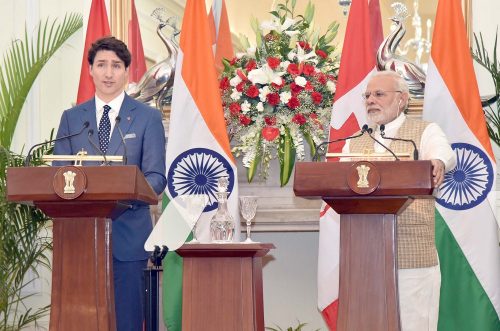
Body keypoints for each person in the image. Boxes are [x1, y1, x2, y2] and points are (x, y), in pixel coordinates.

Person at [53, 36, 167, 331]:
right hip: (79, 242)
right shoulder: (71, 119)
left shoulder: (147, 118)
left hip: (129, 240)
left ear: (127, 72)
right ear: (90, 69)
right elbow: (58, 175)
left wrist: (123, 195)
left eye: (116, 66)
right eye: (101, 65)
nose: (108, 73)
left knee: (127, 323)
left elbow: (156, 177)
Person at [343, 70, 456, 331]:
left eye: (379, 94)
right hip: (365, 256)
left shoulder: (424, 131)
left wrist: (437, 161)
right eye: (368, 95)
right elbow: (339, 183)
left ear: (402, 100)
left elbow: (443, 153)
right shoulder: (353, 142)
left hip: (412, 256)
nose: (371, 100)